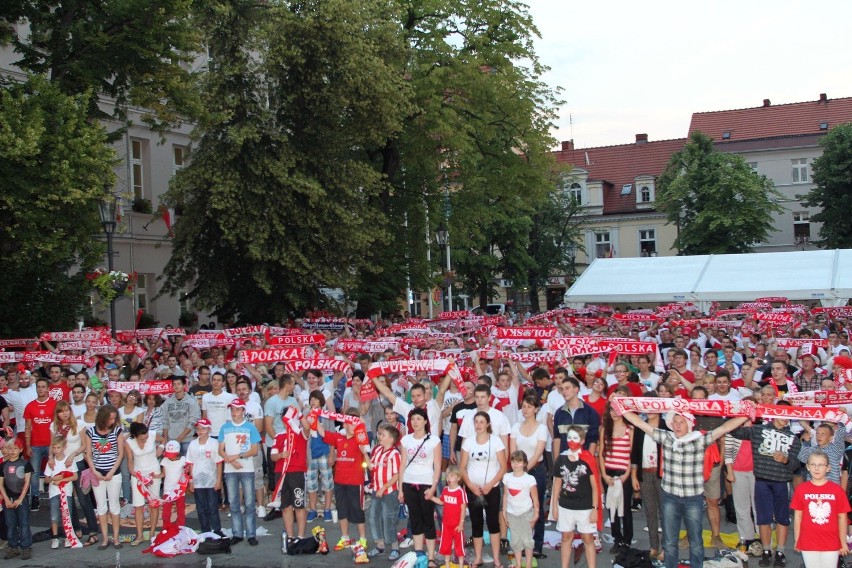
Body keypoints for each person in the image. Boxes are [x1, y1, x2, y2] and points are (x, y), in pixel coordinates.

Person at [621, 408, 749, 568]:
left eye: (681, 422)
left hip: (693, 499)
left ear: (689, 424)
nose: (677, 425)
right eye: (674, 422)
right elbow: (639, 422)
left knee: (695, 540)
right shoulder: (666, 437)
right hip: (670, 498)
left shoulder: (699, 439)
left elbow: (724, 428)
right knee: (669, 541)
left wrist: (746, 413)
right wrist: (620, 407)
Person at [729, 402, 802, 568]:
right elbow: (734, 431)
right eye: (783, 414)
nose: (786, 419)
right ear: (775, 413)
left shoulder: (793, 438)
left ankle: (781, 552)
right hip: (761, 481)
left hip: (782, 482)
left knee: (783, 519)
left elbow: (796, 465)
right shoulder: (758, 430)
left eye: (789, 415)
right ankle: (767, 550)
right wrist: (742, 413)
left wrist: (786, 460)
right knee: (763, 518)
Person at [317, 408, 371, 554]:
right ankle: (345, 537)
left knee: (357, 511)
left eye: (356, 423)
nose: (354, 426)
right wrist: (314, 416)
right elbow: (322, 432)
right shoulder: (338, 437)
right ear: (345, 424)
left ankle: (363, 539)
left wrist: (361, 426)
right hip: (340, 481)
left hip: (355, 482)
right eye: (351, 423)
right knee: (342, 510)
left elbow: (365, 449)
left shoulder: (361, 440)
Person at [460, 411, 507, 568]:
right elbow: (462, 467)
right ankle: (478, 557)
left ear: (488, 424)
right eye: (476, 422)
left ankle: (496, 559)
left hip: (491, 488)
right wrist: (470, 485)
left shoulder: (496, 441)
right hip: (473, 489)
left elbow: (503, 466)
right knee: (476, 523)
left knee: (493, 523)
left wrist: (491, 484)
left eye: (482, 422)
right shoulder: (468, 442)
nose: (479, 425)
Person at [398, 406, 442, 567]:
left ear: (425, 421)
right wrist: (400, 488)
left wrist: (434, 486)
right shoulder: (406, 440)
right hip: (409, 483)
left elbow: (437, 465)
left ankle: (431, 557)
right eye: (412, 419)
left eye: (418, 418)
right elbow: (402, 464)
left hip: (426, 483)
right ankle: (418, 554)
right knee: (415, 519)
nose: (415, 422)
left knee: (428, 520)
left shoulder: (433, 440)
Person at [791, 449, 851, 568]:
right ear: (807, 467)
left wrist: (843, 542)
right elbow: (798, 516)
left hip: (831, 541)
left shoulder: (837, 490)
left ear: (828, 468)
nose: (816, 468)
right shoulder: (801, 489)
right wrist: (797, 540)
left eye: (821, 465)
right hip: (808, 541)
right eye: (813, 464)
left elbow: (842, 517)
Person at [551, 426, 599, 568]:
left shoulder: (587, 459)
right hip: (565, 505)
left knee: (587, 538)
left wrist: (595, 508)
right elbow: (557, 484)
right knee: (566, 537)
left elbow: (595, 486)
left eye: (575, 438)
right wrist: (554, 505)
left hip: (585, 506)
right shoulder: (561, 458)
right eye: (569, 437)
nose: (572, 441)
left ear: (583, 440)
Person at [50, 399, 97, 544]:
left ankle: (93, 530)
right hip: (62, 466)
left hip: (78, 464)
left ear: (70, 411)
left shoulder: (79, 424)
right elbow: (51, 445)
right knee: (68, 498)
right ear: (57, 413)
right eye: (61, 411)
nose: (64, 413)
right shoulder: (54, 426)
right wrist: (50, 458)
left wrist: (73, 454)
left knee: (83, 498)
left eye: (66, 410)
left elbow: (84, 445)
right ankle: (75, 528)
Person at [509, 394, 548, 558]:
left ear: (536, 409)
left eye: (529, 406)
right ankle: (519, 543)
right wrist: (517, 471)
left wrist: (523, 472)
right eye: (524, 406)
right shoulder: (516, 426)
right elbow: (513, 451)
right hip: (517, 471)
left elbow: (538, 452)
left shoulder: (542, 428)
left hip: (536, 471)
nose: (526, 409)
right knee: (517, 508)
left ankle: (537, 544)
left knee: (535, 507)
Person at [219, 398, 261, 546]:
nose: (234, 412)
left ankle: (251, 534)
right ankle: (237, 533)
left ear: (243, 411)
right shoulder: (225, 427)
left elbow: (255, 450)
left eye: (237, 409)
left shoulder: (250, 427)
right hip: (231, 469)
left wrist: (237, 457)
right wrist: (231, 461)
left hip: (247, 468)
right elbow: (220, 449)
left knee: (249, 502)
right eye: (232, 410)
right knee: (234, 502)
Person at [84, 404, 125, 550]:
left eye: (114, 418)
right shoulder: (91, 432)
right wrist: (94, 471)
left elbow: (121, 453)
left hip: (113, 472)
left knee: (114, 505)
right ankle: (105, 538)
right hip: (97, 473)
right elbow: (88, 454)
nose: (112, 421)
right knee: (101, 506)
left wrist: (111, 471)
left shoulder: (117, 431)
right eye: (110, 418)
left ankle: (116, 538)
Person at [270, 406, 311, 549]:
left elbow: (307, 427)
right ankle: (290, 536)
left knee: (299, 505)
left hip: (297, 473)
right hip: (281, 474)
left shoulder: (300, 433)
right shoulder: (279, 435)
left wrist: (299, 414)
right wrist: (280, 455)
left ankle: (300, 536)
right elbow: (273, 456)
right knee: (286, 506)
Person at [599, 401, 634, 553]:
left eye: (617, 410)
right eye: (611, 410)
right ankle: (617, 538)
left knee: (625, 507)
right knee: (611, 506)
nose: (614, 413)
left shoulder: (630, 429)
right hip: (609, 472)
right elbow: (601, 453)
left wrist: (627, 474)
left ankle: (627, 540)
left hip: (623, 473)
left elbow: (631, 454)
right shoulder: (605, 429)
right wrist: (604, 475)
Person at [366, 423, 402, 560]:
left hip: (389, 492)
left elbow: (397, 475)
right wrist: (364, 452)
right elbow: (371, 466)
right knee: (373, 517)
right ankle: (380, 545)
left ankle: (395, 548)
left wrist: (384, 487)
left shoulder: (394, 454)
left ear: (391, 439)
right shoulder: (378, 450)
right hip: (377, 490)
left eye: (383, 435)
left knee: (389, 519)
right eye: (380, 434)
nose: (379, 436)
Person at [125, 422, 162, 546]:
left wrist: (161, 447)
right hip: (138, 474)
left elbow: (164, 439)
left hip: (153, 472)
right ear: (135, 436)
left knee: (154, 503)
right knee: (138, 505)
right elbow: (130, 460)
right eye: (142, 437)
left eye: (146, 436)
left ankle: (152, 533)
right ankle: (139, 535)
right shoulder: (129, 442)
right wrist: (132, 471)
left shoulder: (152, 434)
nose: (145, 438)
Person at [24, 377, 57, 511]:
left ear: (48, 389)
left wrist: (56, 445)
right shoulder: (30, 405)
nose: (41, 389)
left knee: (55, 471)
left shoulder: (55, 404)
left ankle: (57, 497)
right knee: (35, 473)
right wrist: (27, 445)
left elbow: (57, 426)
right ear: (36, 388)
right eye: (39, 387)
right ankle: (35, 498)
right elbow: (27, 427)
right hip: (35, 445)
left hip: (51, 444)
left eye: (44, 387)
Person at [186, 418, 223, 535]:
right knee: (201, 508)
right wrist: (191, 481)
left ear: (209, 429)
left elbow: (219, 462)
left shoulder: (214, 443)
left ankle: (217, 530)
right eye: (198, 428)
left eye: (203, 428)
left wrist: (218, 480)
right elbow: (190, 463)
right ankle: (205, 530)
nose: (200, 431)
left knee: (213, 506)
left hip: (211, 480)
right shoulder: (192, 444)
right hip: (198, 481)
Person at [502, 451, 538, 568]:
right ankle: (518, 564)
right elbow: (506, 495)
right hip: (511, 513)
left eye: (519, 461)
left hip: (526, 513)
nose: (516, 464)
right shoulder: (507, 477)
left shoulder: (529, 479)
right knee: (515, 541)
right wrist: (504, 511)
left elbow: (535, 498)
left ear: (524, 463)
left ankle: (528, 565)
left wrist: (536, 514)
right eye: (513, 461)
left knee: (527, 540)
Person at [1, 438, 34, 560]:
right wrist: (6, 499)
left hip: (21, 499)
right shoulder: (3, 465)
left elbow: (27, 482)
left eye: (15, 448)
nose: (12, 451)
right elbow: (0, 484)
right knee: (10, 524)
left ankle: (26, 547)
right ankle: (13, 547)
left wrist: (21, 499)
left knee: (24, 523)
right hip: (8, 499)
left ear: (20, 450)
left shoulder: (25, 464)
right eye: (10, 448)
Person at [44, 435, 78, 549]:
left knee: (67, 514)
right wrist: (54, 479)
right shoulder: (51, 462)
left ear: (64, 447)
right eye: (54, 447)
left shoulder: (68, 460)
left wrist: (62, 479)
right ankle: (55, 537)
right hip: (54, 492)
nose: (56, 450)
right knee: (54, 516)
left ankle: (68, 536)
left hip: (66, 492)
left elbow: (75, 476)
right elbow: (47, 479)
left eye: (58, 447)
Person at [304, 390, 334, 522]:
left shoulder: (326, 415)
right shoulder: (306, 415)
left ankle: (327, 509)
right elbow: (304, 435)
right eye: (311, 399)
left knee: (327, 482)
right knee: (311, 483)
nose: (313, 401)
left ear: (321, 401)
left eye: (315, 399)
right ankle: (313, 509)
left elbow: (332, 436)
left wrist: (332, 454)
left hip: (324, 452)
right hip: (311, 453)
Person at [430, 465, 467, 568]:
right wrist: (431, 497)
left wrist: (461, 523)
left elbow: (463, 508)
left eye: (451, 476)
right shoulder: (445, 490)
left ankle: (460, 564)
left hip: (456, 525)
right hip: (446, 525)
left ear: (458, 478)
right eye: (447, 476)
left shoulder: (460, 492)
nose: (448, 478)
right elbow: (441, 501)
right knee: (446, 545)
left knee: (459, 546)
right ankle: (447, 564)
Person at [161, 440, 188, 529]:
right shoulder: (165, 460)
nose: (170, 457)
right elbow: (163, 474)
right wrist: (153, 476)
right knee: (166, 513)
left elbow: (188, 471)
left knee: (180, 511)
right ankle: (166, 529)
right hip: (167, 490)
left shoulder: (183, 460)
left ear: (178, 452)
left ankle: (181, 528)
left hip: (179, 490)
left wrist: (187, 472)